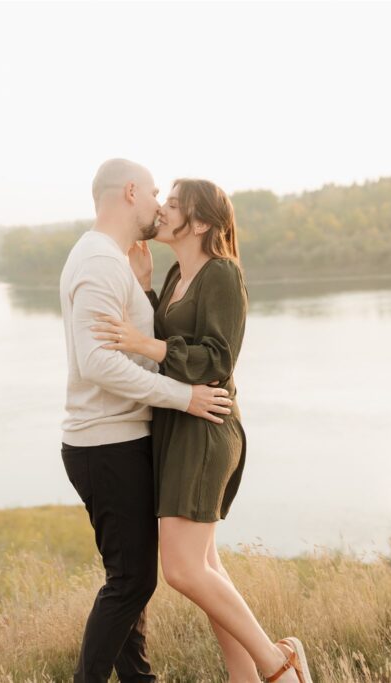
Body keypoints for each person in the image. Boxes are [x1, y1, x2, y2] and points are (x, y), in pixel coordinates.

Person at [90, 178, 314, 683]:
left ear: (204, 222)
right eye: (164, 201)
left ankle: (279, 663)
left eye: (173, 204)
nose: (163, 210)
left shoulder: (222, 275)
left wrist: (145, 347)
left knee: (183, 571)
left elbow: (216, 359)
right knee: (207, 568)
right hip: (177, 428)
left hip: (207, 429)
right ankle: (246, 678)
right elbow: (170, 341)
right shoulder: (175, 276)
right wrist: (146, 288)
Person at [59, 159, 235, 683]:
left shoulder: (112, 260)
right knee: (131, 583)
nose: (160, 205)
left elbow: (138, 344)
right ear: (130, 192)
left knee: (130, 580)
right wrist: (183, 397)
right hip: (105, 443)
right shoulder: (97, 260)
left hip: (119, 439)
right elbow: (98, 362)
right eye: (156, 193)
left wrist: (145, 288)